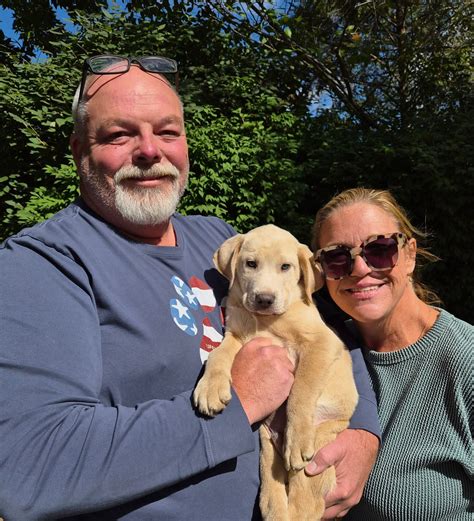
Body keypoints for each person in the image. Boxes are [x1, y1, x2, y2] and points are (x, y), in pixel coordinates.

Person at [0, 56, 378, 520]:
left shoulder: (217, 239)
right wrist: (241, 403)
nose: (149, 151)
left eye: (167, 131)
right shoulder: (44, 263)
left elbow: (324, 324)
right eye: (119, 135)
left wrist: (362, 432)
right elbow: (30, 468)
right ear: (79, 151)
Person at [312, 187, 473, 520]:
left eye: (379, 249)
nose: (359, 268)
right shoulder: (322, 352)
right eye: (337, 257)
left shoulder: (466, 359)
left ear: (409, 254)